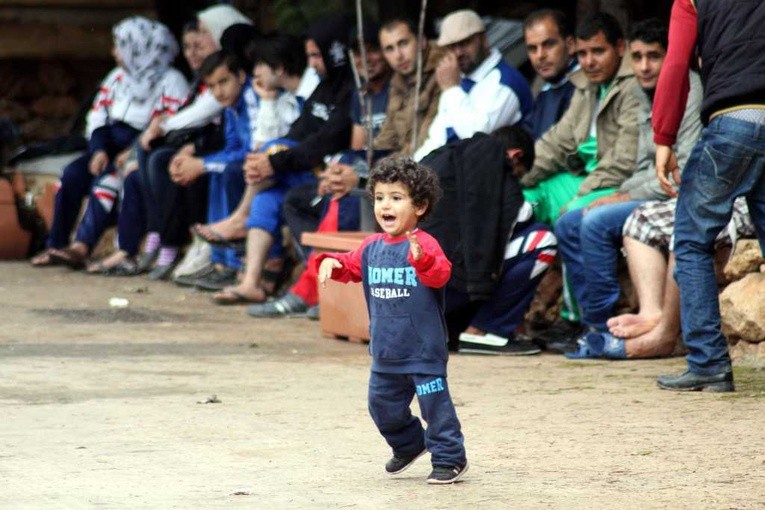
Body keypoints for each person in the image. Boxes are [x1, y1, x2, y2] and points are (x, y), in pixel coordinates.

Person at [554, 18, 702, 356]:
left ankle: (602, 323)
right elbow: (639, 165)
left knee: (594, 222)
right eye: (637, 57)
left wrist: (624, 195)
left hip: (675, 194)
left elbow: (685, 167)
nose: (644, 66)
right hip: (647, 190)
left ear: (672, 57)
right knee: (569, 222)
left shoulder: (689, 88)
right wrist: (615, 194)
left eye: (654, 56)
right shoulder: (639, 92)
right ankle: (589, 325)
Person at [317, 157, 468, 485]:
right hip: (385, 350)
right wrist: (331, 263)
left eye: (396, 198)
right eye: (381, 197)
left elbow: (441, 274)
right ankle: (410, 443)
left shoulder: (424, 244)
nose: (386, 205)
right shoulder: (372, 246)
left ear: (420, 206)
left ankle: (449, 457)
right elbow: (351, 265)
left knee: (435, 407)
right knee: (381, 406)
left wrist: (422, 259)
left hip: (423, 351)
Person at [652, 0, 765, 392]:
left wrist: (664, 136)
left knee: (691, 241)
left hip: (733, 120)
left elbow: (676, 65)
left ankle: (708, 361)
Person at [520, 12, 640, 348]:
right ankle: (503, 318)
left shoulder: (633, 87)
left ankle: (579, 321)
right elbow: (557, 142)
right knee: (522, 193)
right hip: (582, 180)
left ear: (620, 48)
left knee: (571, 219)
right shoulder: (585, 86)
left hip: (617, 183)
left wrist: (581, 195)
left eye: (597, 52)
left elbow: (623, 161)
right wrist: (516, 170)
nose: (589, 61)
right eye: (583, 53)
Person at [30, 16, 188, 268]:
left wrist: (133, 150)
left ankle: (81, 247)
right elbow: (97, 116)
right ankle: (55, 245)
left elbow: (166, 126)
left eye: (121, 45)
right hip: (108, 145)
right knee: (70, 176)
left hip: (139, 149)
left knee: (107, 184)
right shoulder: (117, 77)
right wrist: (99, 149)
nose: (114, 52)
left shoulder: (171, 81)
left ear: (139, 47)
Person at [417, 126, 555, 355]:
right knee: (542, 239)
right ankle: (486, 330)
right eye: (518, 174)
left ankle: (454, 328)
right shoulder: (495, 160)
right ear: (515, 156)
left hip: (415, 291)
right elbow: (520, 216)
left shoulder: (440, 155)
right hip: (450, 286)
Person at [604, 197, 755, 359]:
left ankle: (665, 335)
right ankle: (651, 314)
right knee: (641, 219)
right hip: (731, 193)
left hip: (753, 198)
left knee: (688, 229)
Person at [413, 9, 533, 161]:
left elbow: (474, 136)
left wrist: (450, 89)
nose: (458, 53)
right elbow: (437, 139)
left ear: (484, 40)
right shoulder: (459, 81)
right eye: (451, 47)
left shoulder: (506, 81)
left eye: (464, 43)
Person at [373, 18, 445, 156]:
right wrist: (360, 164)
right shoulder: (398, 80)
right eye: (390, 49)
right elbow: (386, 138)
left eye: (403, 43)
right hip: (401, 164)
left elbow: (425, 143)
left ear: (422, 41)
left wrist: (381, 169)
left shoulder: (442, 70)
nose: (398, 55)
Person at [522, 9, 578, 140]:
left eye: (548, 44)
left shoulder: (586, 88)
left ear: (570, 45)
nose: (540, 55)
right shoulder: (544, 93)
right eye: (532, 49)